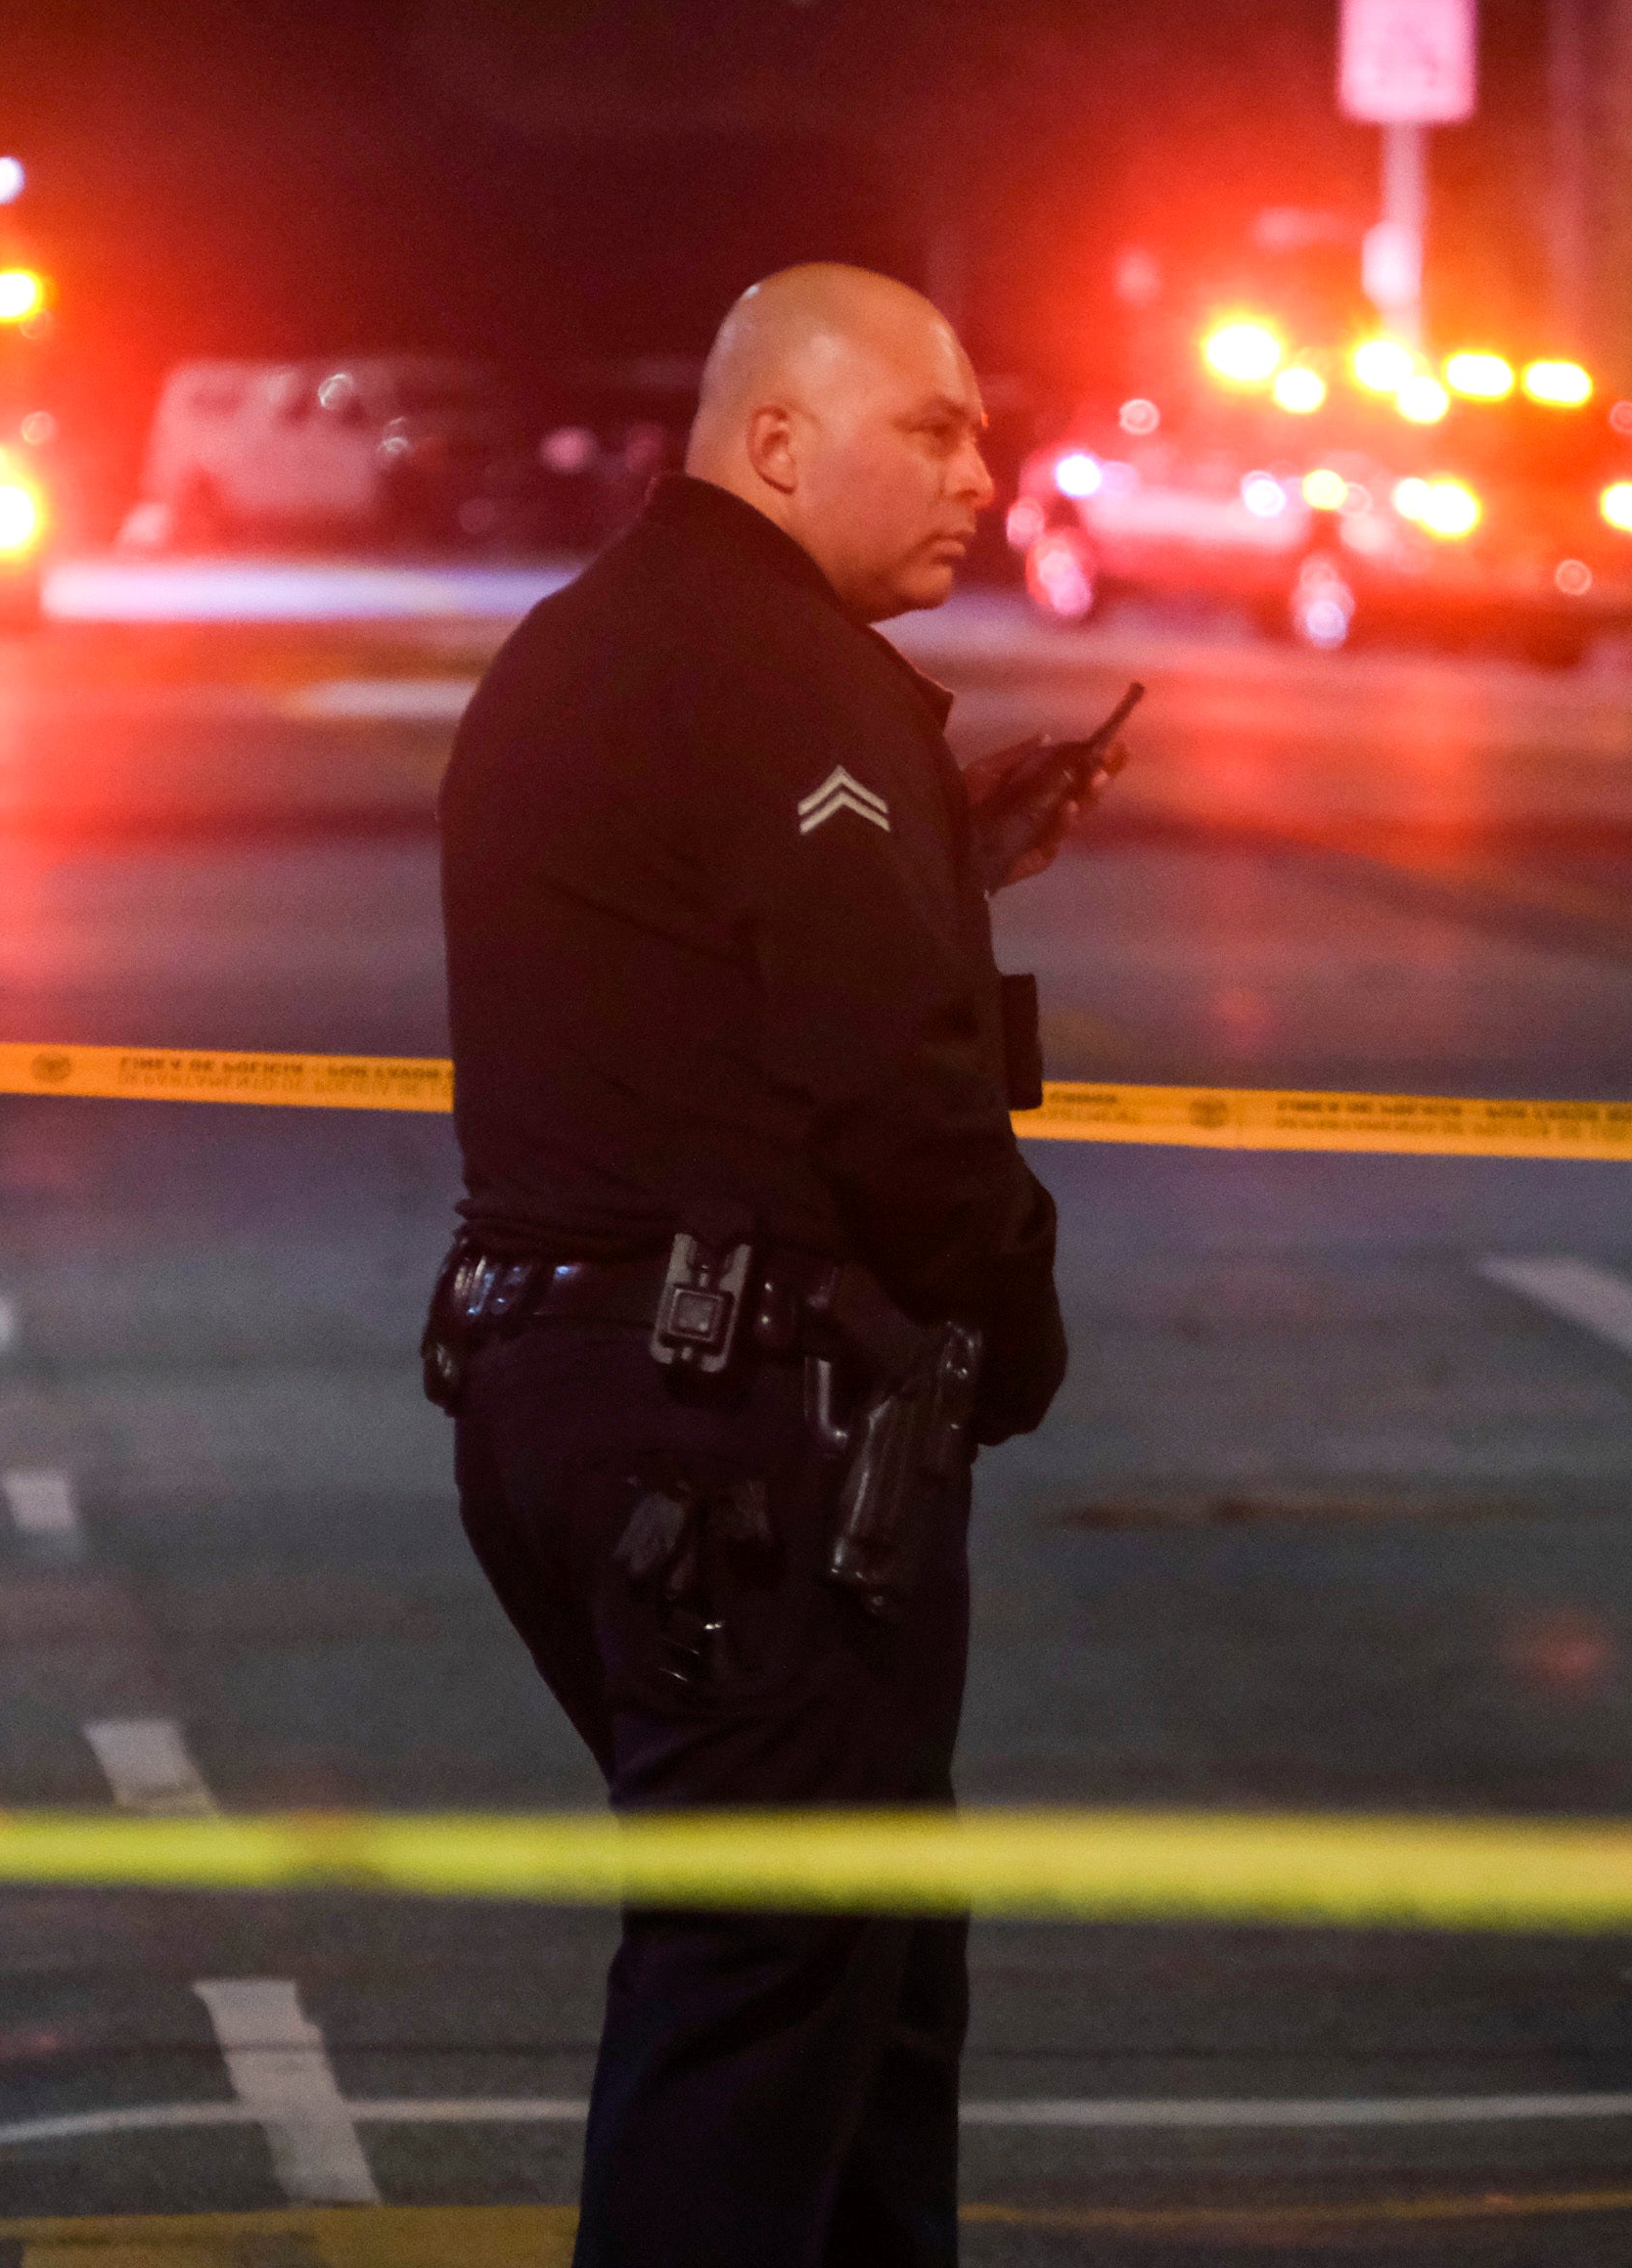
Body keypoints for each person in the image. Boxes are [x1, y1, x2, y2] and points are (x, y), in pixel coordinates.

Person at [429, 263, 1125, 2266]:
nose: (982, 476)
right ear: (778, 442)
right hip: (728, 1442)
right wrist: (1016, 1306)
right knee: (759, 1999)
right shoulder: (786, 673)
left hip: (568, 1403)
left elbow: (678, 941)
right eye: (935, 430)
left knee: (867, 1983)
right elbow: (894, 1079)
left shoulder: (585, 643)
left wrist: (933, 844)